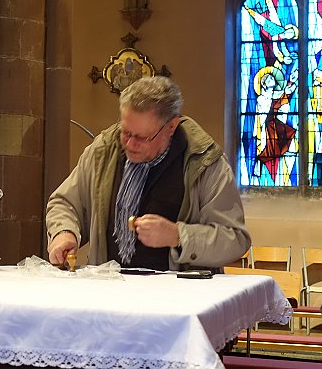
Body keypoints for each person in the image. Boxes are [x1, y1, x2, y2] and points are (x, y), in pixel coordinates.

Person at [46, 76, 250, 271]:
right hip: (110, 290)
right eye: (125, 132)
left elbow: (234, 239)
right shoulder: (103, 151)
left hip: (180, 296)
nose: (130, 144)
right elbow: (65, 203)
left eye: (143, 137)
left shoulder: (205, 162)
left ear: (171, 126)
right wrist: (64, 233)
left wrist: (177, 236)